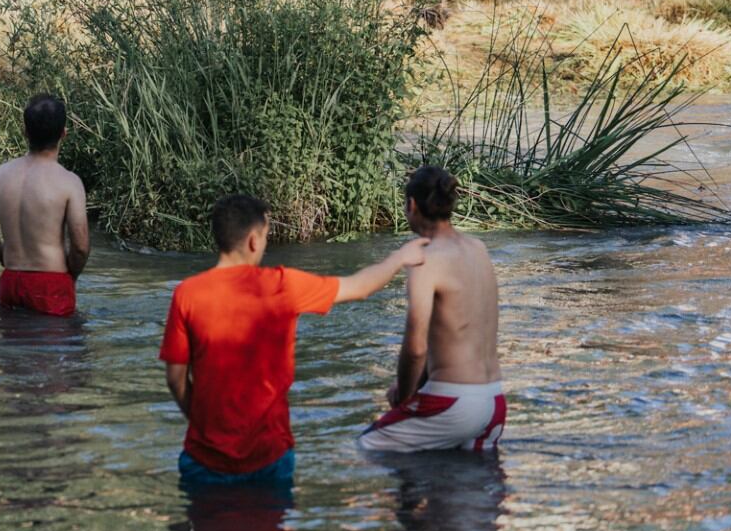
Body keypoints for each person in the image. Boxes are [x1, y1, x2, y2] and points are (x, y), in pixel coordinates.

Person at [160, 194, 428, 486]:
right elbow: (361, 286)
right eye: (265, 236)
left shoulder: (187, 293)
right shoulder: (283, 285)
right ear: (253, 239)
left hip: (204, 457)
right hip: (269, 455)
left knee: (204, 530)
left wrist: (203, 424)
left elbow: (175, 379)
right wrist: (400, 257)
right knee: (270, 529)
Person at [358, 166, 506, 453]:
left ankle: (412, 499)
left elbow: (416, 348)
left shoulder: (424, 257)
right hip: (494, 402)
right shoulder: (478, 248)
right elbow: (452, 335)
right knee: (464, 493)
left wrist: (404, 393)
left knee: (369, 446)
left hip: (453, 402)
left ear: (412, 205)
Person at [0, 92, 90, 317]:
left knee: (11, 349)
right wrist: (71, 276)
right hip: (51, 283)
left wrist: (5, 257)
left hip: (10, 282)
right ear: (63, 134)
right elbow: (80, 246)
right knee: (63, 348)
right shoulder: (68, 182)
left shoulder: (1, 175)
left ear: (25, 132)